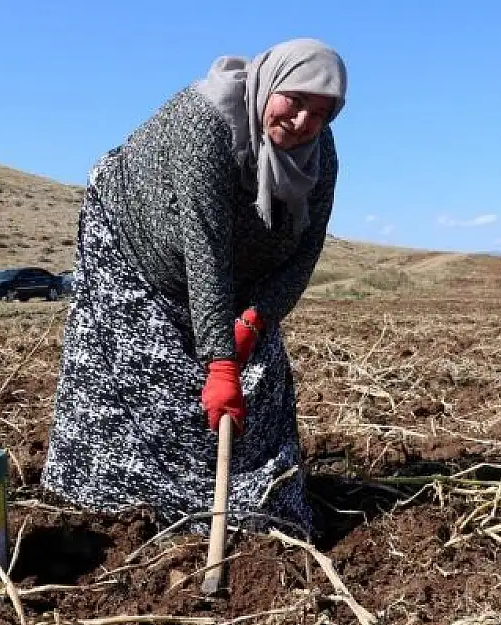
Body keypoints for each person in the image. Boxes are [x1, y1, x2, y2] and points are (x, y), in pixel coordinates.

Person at [40, 38, 347, 538]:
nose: (302, 122)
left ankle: (260, 505)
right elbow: (204, 246)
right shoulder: (205, 124)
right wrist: (221, 362)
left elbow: (304, 254)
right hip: (135, 241)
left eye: (320, 113)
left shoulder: (319, 156)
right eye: (294, 100)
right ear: (270, 85)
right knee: (156, 380)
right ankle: (128, 506)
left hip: (242, 274)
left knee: (260, 381)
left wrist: (255, 318)